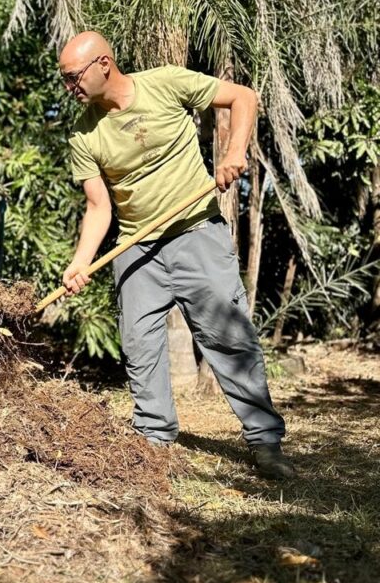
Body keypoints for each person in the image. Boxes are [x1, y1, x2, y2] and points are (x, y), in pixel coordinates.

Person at [59, 31, 293, 480]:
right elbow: (98, 206)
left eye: (74, 78)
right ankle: (155, 444)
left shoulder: (165, 83)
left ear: (103, 64)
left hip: (195, 234)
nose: (71, 88)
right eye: (65, 81)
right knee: (140, 347)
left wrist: (234, 152)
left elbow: (244, 96)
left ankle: (265, 443)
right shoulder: (83, 133)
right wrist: (80, 260)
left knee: (229, 339)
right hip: (136, 248)